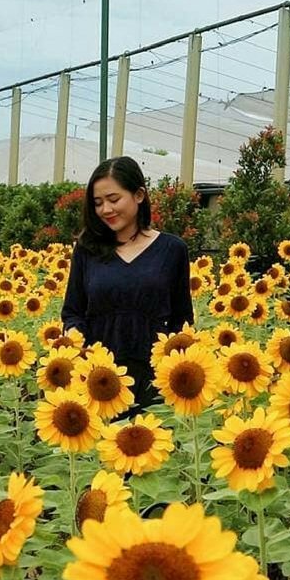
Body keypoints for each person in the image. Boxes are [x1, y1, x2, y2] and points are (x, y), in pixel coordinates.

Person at [61, 156, 194, 412]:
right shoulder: (87, 249)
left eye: (113, 199)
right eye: (98, 203)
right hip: (100, 380)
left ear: (139, 195)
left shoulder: (172, 249)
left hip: (156, 378)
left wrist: (178, 372)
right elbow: (73, 311)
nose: (105, 210)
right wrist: (76, 344)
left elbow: (182, 319)